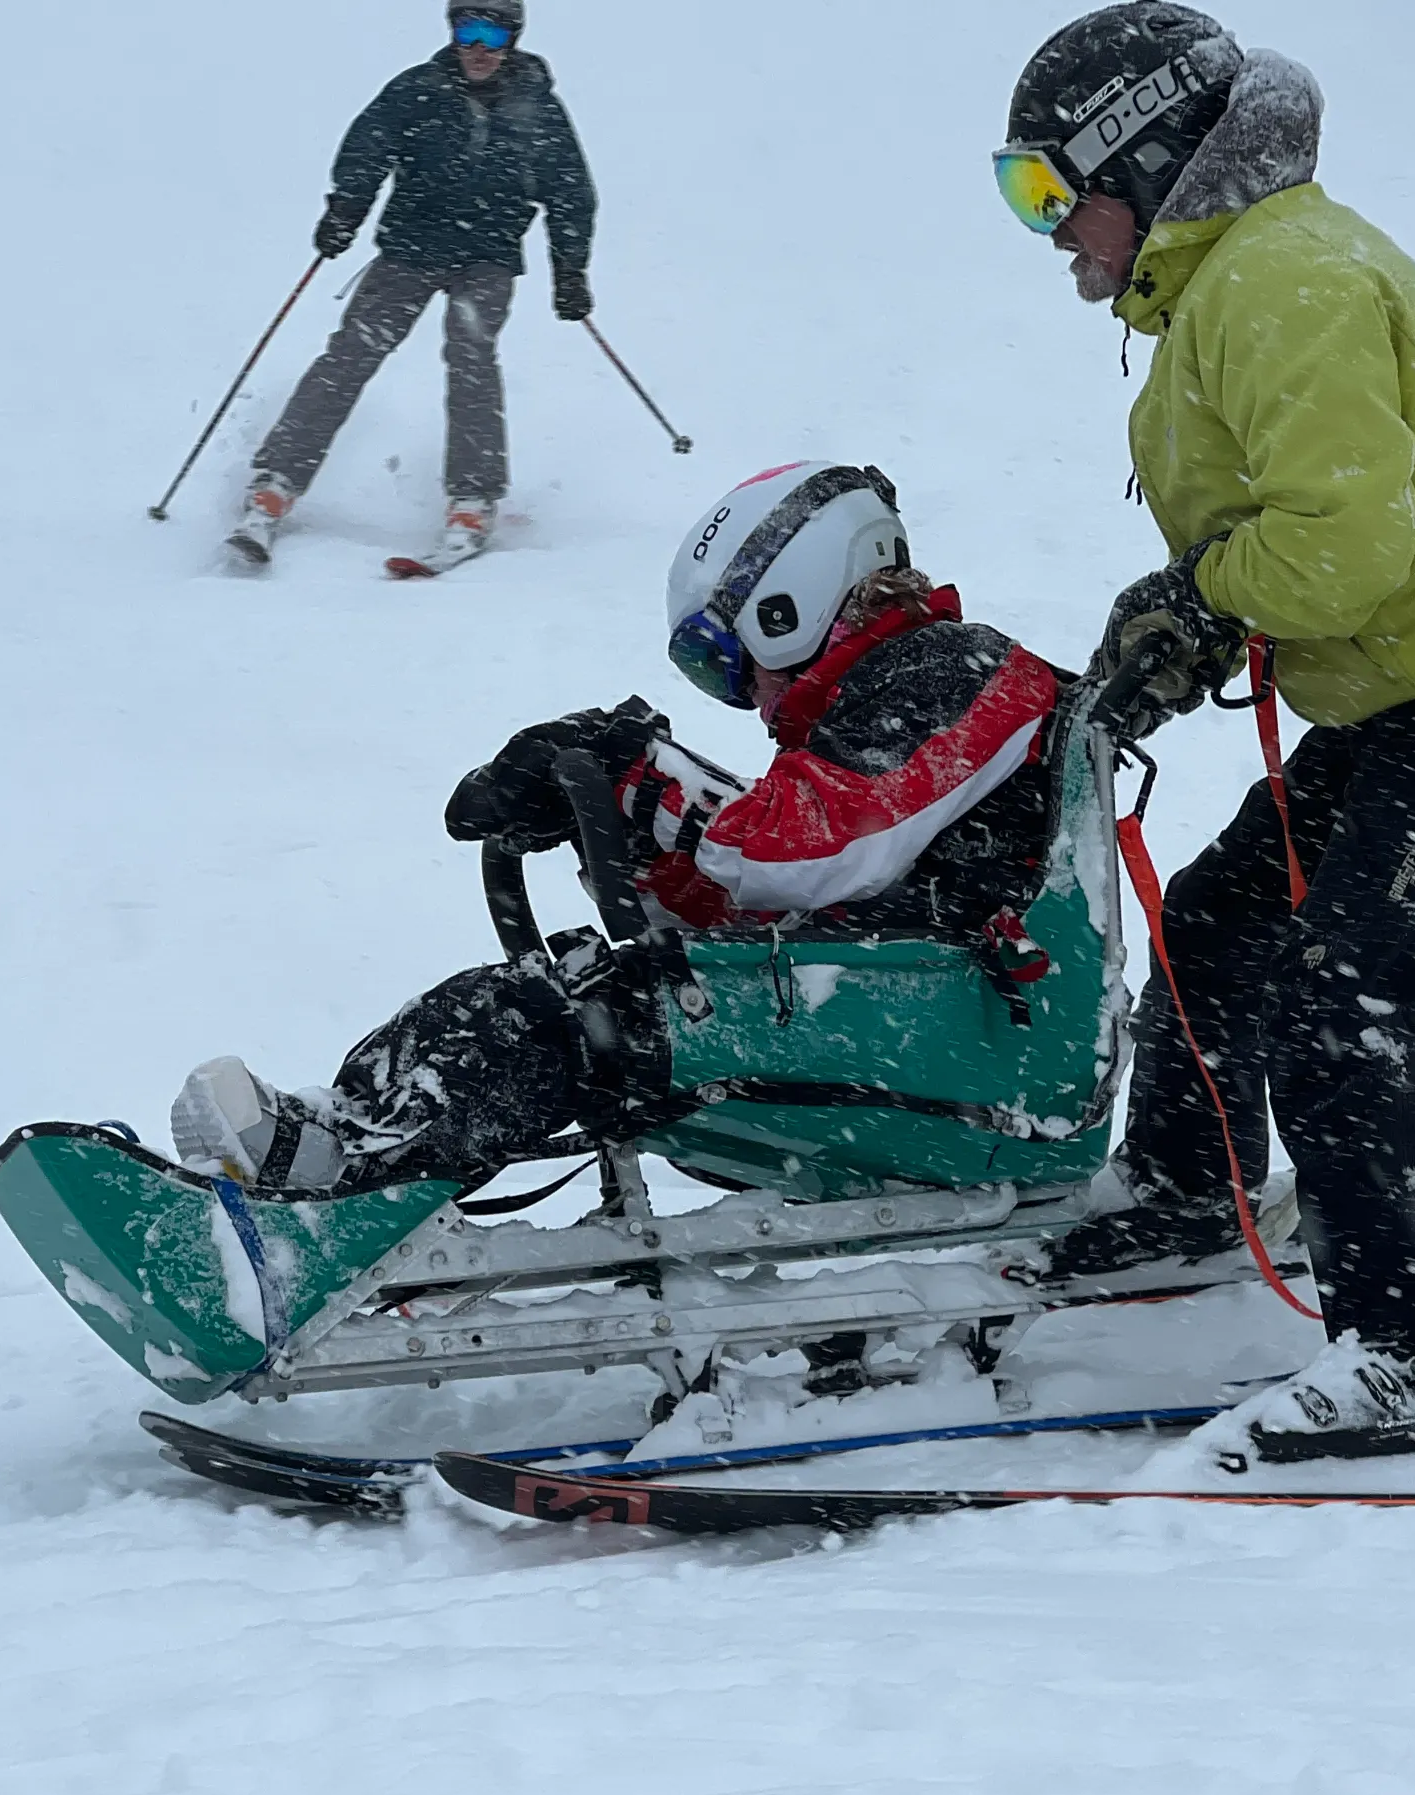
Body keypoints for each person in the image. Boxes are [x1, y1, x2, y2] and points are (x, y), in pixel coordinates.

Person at [995, 5, 1415, 1464]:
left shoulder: (1277, 282)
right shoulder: (1238, 277)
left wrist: (1202, 601)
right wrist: (1200, 606)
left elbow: (1340, 547)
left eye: (1046, 192)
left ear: (1139, 164)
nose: (1044, 233)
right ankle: (1181, 1190)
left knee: (1341, 1013)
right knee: (1224, 929)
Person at [174, 463, 1063, 1195]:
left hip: (981, 1050)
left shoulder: (963, 672)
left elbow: (802, 854)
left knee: (568, 1018)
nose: (739, 695)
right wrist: (617, 815)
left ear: (787, 606)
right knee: (555, 998)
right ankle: (347, 1148)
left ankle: (342, 1181)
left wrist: (636, 768)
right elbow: (773, 876)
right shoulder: (895, 699)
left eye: (721, 659)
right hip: (908, 1016)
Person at [226, 2, 597, 573]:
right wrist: (347, 207)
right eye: (466, 30)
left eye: (491, 33)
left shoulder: (537, 108)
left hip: (487, 257)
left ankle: (473, 501)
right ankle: (275, 485)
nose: (478, 46)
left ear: (512, 39)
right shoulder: (419, 89)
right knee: (350, 355)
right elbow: (367, 147)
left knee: (472, 361)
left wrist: (570, 268)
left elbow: (569, 188)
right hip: (411, 249)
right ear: (451, 32)